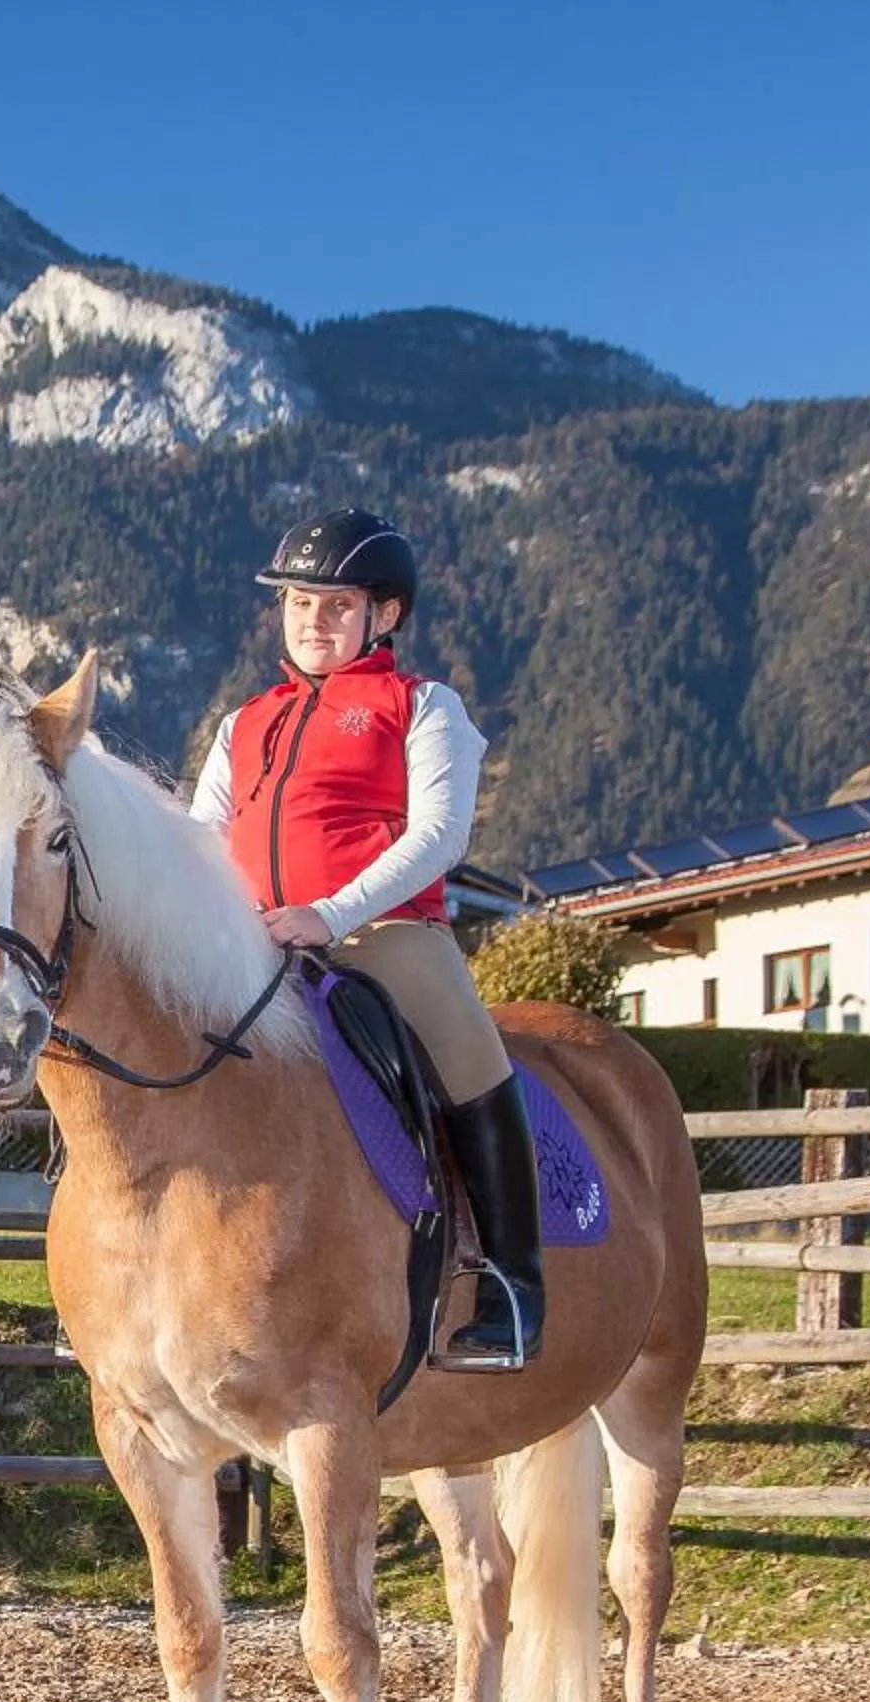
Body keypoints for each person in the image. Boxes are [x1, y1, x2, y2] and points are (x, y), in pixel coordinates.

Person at [188, 508, 544, 1370]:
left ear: (383, 615)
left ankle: (511, 1284)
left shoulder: (422, 705)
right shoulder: (246, 723)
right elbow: (200, 839)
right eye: (300, 603)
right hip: (255, 943)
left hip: (383, 934)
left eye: (337, 605)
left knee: (468, 1056)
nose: (314, 620)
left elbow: (440, 837)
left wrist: (331, 915)